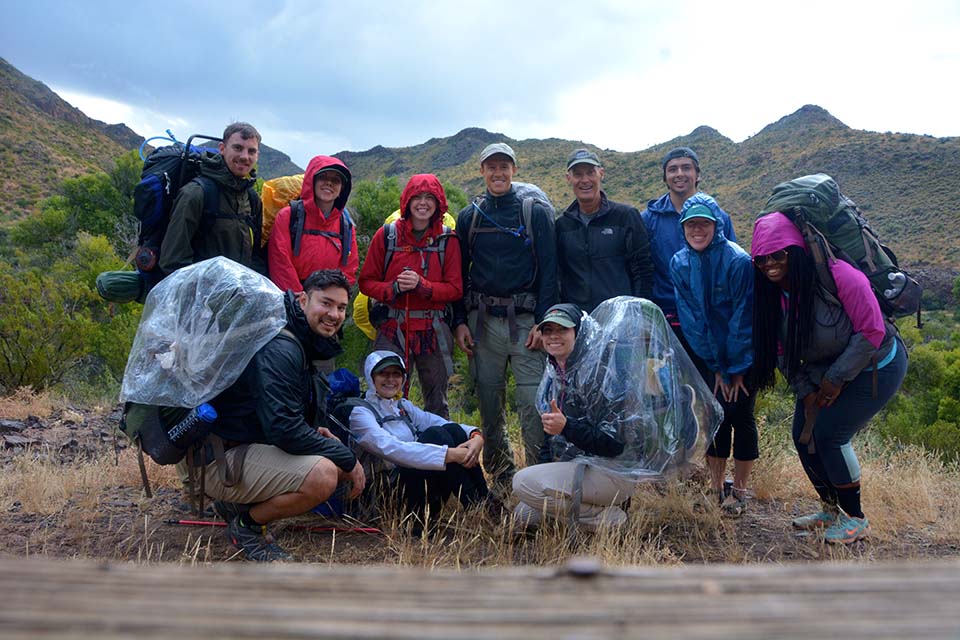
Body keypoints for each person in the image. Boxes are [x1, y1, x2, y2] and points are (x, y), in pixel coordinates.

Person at [751, 212, 907, 544]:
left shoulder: (842, 277)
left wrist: (834, 381)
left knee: (828, 434)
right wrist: (806, 390)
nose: (769, 264)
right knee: (803, 437)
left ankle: (855, 518)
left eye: (778, 255)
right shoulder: (771, 295)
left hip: (877, 364)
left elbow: (871, 331)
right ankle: (831, 511)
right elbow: (779, 349)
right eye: (761, 259)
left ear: (797, 251)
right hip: (825, 370)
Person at [206, 269, 366, 561]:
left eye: (341, 307)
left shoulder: (298, 337)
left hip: (239, 448)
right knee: (323, 475)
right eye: (326, 303)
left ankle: (237, 507)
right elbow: (283, 429)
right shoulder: (282, 346)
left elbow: (277, 413)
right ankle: (247, 527)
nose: (334, 314)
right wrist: (347, 457)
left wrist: (317, 434)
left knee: (329, 458)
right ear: (303, 299)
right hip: (219, 461)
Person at [451, 142, 558, 491]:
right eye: (491, 167)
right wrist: (459, 321)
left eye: (504, 167)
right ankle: (501, 478)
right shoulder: (470, 216)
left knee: (532, 405)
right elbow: (457, 274)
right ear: (481, 171)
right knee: (489, 403)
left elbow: (550, 272)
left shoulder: (533, 212)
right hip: (482, 323)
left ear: (514, 169)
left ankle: (539, 479)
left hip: (527, 323)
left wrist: (544, 323)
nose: (498, 173)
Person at [670, 194, 757, 517]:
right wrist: (716, 366)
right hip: (710, 357)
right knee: (714, 415)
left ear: (716, 225)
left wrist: (736, 367)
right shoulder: (679, 262)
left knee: (741, 416)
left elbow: (742, 317)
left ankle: (741, 491)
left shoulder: (737, 261)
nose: (697, 230)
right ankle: (716, 487)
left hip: (744, 354)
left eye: (704, 223)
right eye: (691, 224)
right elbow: (692, 319)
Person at [512, 303, 636, 531]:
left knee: (522, 482)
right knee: (524, 513)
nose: (553, 337)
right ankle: (587, 510)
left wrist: (567, 427)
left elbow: (615, 444)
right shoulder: (554, 374)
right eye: (547, 331)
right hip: (578, 466)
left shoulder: (601, 373)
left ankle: (608, 519)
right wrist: (545, 468)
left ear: (579, 334)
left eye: (562, 330)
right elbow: (551, 440)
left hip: (612, 471)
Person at [358, 174, 462, 417]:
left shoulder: (448, 240)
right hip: (394, 327)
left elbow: (455, 289)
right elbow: (366, 282)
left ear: (439, 204)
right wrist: (393, 288)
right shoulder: (386, 236)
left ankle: (437, 453)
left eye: (430, 197)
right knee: (385, 399)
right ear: (407, 201)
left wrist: (423, 286)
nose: (423, 203)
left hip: (433, 329)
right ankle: (382, 453)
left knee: (437, 403)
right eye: (417, 197)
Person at [348, 351, 488, 527]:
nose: (390, 379)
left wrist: (475, 435)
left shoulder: (403, 406)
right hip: (384, 497)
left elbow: (439, 422)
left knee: (450, 430)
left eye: (396, 374)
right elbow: (393, 449)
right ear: (371, 377)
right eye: (383, 373)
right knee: (436, 436)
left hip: (412, 484)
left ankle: (485, 503)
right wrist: (449, 454)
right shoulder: (360, 413)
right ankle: (476, 506)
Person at [641, 147, 736, 339]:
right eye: (673, 169)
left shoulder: (719, 217)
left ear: (697, 174)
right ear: (665, 176)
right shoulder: (648, 219)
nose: (680, 174)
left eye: (686, 168)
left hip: (711, 316)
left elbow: (732, 266)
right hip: (666, 317)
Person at [160, 122, 266, 276]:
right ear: (222, 149)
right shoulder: (196, 193)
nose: (244, 156)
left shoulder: (252, 199)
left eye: (251, 151)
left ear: (257, 155)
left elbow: (255, 256)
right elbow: (173, 261)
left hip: (237, 295)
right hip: (199, 295)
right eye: (238, 148)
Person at [556, 149, 653, 312]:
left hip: (621, 319)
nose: (585, 180)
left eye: (590, 173)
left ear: (601, 173)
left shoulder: (626, 216)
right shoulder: (562, 226)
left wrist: (641, 316)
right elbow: (558, 277)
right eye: (578, 174)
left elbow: (643, 271)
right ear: (569, 178)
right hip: (579, 322)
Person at [267, 155, 359, 292]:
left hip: (327, 303)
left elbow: (349, 269)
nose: (329, 183)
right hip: (291, 301)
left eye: (336, 180)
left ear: (342, 189)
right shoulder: (288, 216)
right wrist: (300, 300)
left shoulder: (346, 226)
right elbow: (280, 262)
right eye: (323, 177)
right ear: (312, 181)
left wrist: (328, 300)